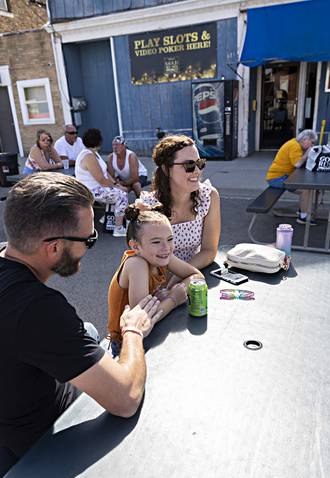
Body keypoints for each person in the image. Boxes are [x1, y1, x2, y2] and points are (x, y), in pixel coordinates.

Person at [0, 174, 162, 457]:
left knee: (88, 331)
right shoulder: (38, 309)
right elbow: (126, 399)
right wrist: (133, 330)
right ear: (54, 247)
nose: (89, 248)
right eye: (89, 240)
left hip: (4, 409)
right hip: (45, 438)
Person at [107, 205, 203, 356]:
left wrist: (173, 292)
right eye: (156, 242)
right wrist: (173, 299)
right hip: (126, 343)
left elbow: (196, 277)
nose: (166, 247)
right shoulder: (136, 264)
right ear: (135, 246)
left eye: (170, 239)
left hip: (152, 330)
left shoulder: (162, 255)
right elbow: (143, 320)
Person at [138, 134, 221, 269]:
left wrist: (182, 277)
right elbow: (145, 260)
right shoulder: (148, 206)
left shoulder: (208, 196)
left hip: (192, 273)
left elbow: (209, 251)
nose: (197, 171)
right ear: (166, 169)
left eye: (200, 163)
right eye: (189, 165)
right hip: (158, 278)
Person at [75, 128, 129, 237]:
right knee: (121, 195)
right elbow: (101, 179)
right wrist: (117, 188)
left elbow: (105, 173)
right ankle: (118, 228)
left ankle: (108, 217)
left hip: (97, 188)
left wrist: (116, 184)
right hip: (90, 190)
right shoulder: (88, 156)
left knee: (119, 191)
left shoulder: (94, 153)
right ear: (99, 141)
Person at [264, 129, 317, 225]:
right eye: (312, 143)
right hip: (277, 178)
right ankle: (303, 217)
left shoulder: (295, 143)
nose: (312, 146)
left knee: (307, 187)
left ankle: (303, 210)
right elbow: (297, 164)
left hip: (284, 176)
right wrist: (307, 154)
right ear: (305, 140)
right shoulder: (295, 146)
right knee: (305, 190)